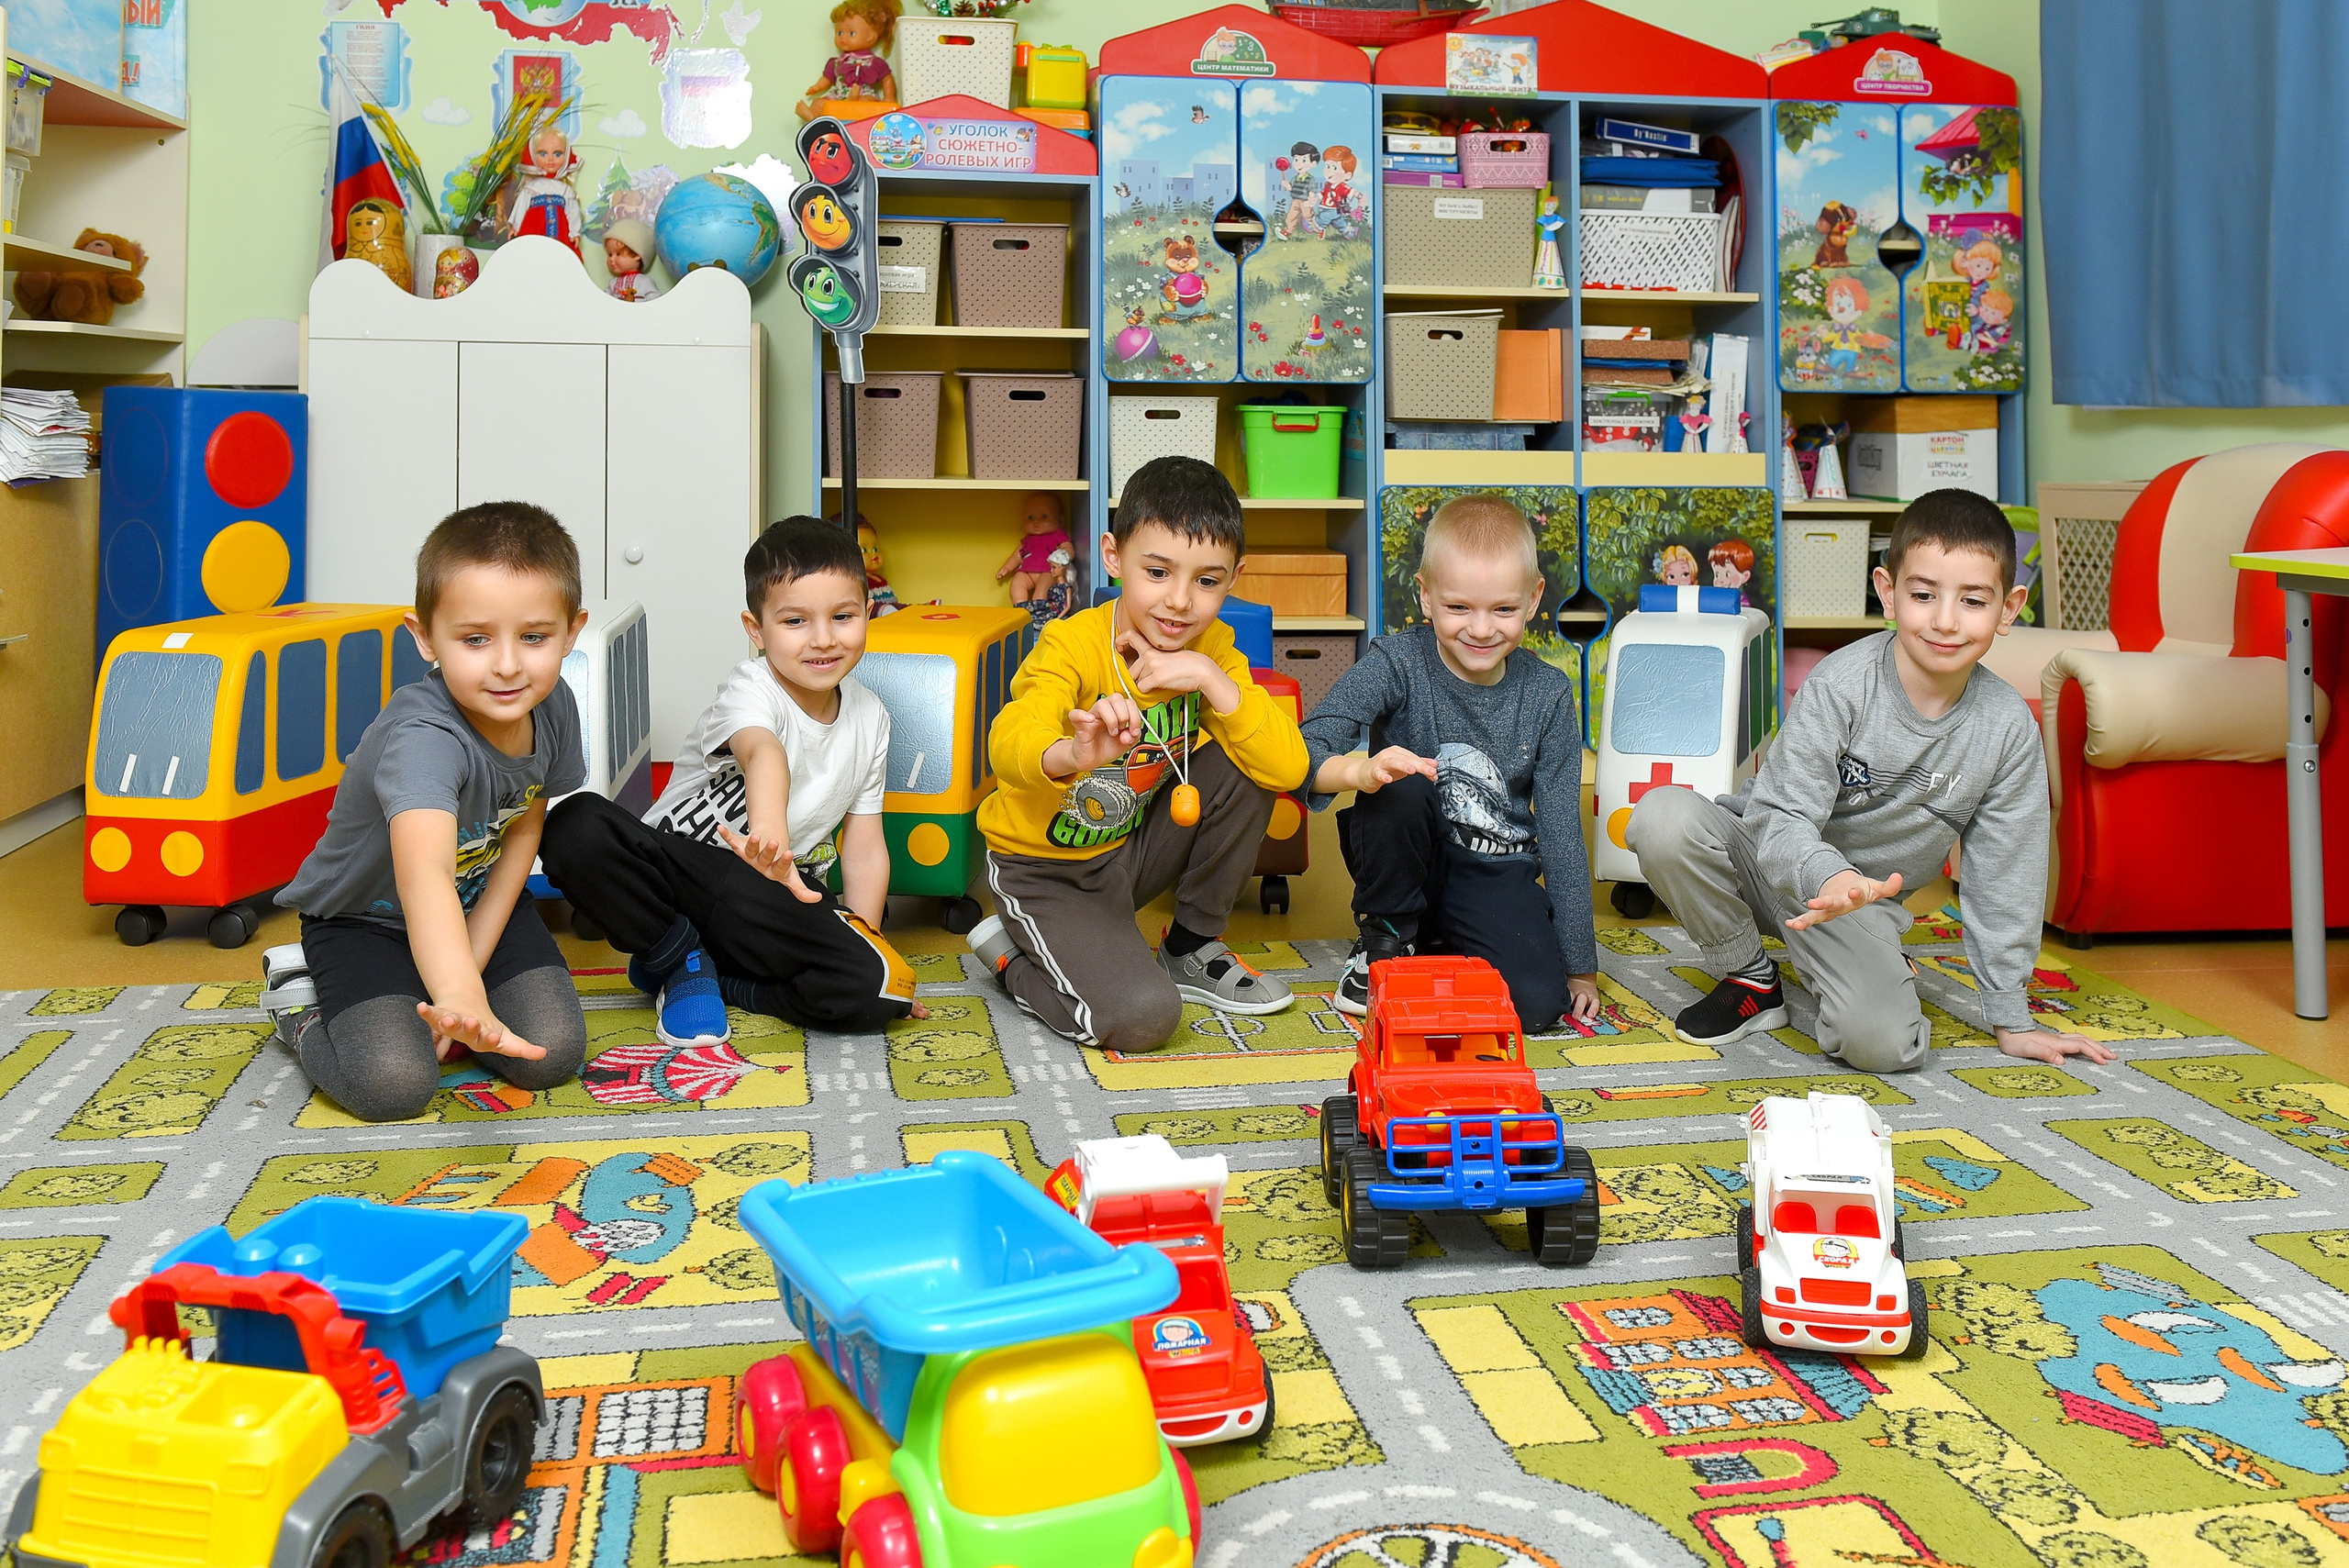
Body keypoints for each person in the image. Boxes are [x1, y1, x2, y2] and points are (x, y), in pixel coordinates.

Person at [1627, 489, 2114, 1072]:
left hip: (1859, 905)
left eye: (1973, 601)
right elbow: (1778, 818)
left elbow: (2008, 870)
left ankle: (1863, 957)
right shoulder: (1841, 684)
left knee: (1883, 1047)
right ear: (1888, 593)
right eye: (1924, 595)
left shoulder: (2007, 727)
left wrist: (2011, 1017)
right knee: (1661, 817)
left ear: (2008, 609)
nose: (1945, 621)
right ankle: (1752, 978)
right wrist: (1828, 873)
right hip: (1766, 863)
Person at [967, 455, 1308, 1051]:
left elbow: (1289, 767)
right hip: (1046, 871)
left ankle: (1191, 946)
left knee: (1249, 754)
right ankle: (1008, 958)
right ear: (1113, 556)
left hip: (1127, 851)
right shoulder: (1070, 643)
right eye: (1157, 571)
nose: (1180, 602)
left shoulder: (1210, 649)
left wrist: (1207, 675)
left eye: (1207, 580)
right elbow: (1008, 738)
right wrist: (1068, 753)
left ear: (1234, 577)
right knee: (1144, 1018)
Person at [539, 517, 920, 1045]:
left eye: (843, 616)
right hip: (679, 873)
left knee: (881, 990)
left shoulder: (871, 716)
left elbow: (863, 846)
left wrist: (871, 944)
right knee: (573, 823)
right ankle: (679, 959)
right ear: (755, 629)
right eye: (795, 621)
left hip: (769, 895)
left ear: (868, 613)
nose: (824, 639)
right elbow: (762, 751)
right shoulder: (753, 687)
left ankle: (732, 984)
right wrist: (768, 833)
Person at [274, 502, 591, 1122]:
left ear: (571, 631)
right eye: (475, 639)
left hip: (473, 901)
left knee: (552, 1053)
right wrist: (456, 994)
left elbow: (525, 824)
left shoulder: (552, 708)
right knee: (394, 1085)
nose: (507, 664)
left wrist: (468, 969)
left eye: (533, 637)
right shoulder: (422, 739)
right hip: (365, 923)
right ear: (424, 635)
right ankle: (298, 1007)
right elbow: (424, 877)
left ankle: (438, 986)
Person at [1298, 495, 1598, 1030]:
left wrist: (1581, 967)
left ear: (1532, 600)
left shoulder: (1549, 693)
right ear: (1427, 596)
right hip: (1408, 853)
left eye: (1503, 610)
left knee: (1535, 1006)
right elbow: (1314, 738)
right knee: (1400, 785)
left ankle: (1436, 940)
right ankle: (1386, 938)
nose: (1481, 630)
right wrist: (1357, 772)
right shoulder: (1397, 661)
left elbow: (1560, 832)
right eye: (1460, 607)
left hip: (1494, 870)